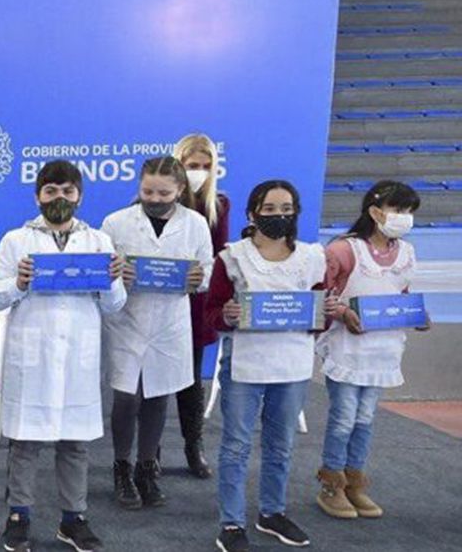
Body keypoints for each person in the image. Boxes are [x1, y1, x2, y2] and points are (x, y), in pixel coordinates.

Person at [0, 160, 127, 552]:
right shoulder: (16, 240)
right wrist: (18, 283)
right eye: (51, 191)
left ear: (79, 196)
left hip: (78, 356)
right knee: (26, 442)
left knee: (75, 443)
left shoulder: (98, 242)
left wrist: (114, 279)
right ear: (37, 196)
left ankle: (73, 518)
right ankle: (19, 514)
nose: (59, 198)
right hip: (32, 353)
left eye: (67, 191)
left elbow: (114, 306)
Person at [204, 180, 328, 552]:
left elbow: (319, 314)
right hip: (245, 365)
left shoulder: (312, 258)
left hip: (292, 365)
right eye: (270, 209)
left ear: (296, 212)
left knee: (281, 446)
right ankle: (231, 522)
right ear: (252, 213)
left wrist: (327, 314)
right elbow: (212, 312)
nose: (279, 215)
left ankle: (272, 513)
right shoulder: (231, 257)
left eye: (286, 208)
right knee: (236, 447)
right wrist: (225, 315)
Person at [101, 156, 213, 509]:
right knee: (126, 397)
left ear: (180, 190)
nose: (154, 197)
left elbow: (207, 269)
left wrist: (198, 279)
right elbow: (102, 269)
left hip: (169, 323)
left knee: (157, 396)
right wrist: (117, 275)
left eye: (164, 192)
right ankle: (122, 466)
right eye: (147, 190)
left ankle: (147, 468)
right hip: (127, 321)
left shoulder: (195, 224)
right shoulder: (116, 222)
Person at [314, 181, 427, 520]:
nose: (404, 218)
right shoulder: (343, 250)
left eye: (409, 212)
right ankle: (331, 483)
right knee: (344, 417)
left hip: (383, 349)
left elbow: (402, 294)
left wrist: (418, 314)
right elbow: (320, 296)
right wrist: (343, 313)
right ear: (375, 211)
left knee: (365, 419)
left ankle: (354, 482)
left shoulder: (406, 253)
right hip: (347, 347)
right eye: (398, 210)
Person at [169, 133, 231, 478]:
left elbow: (219, 256)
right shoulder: (154, 201)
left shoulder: (218, 205)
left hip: (196, 305)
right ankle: (152, 452)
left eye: (206, 166)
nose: (199, 172)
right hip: (162, 301)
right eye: (193, 166)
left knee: (191, 379)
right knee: (155, 382)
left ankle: (194, 446)